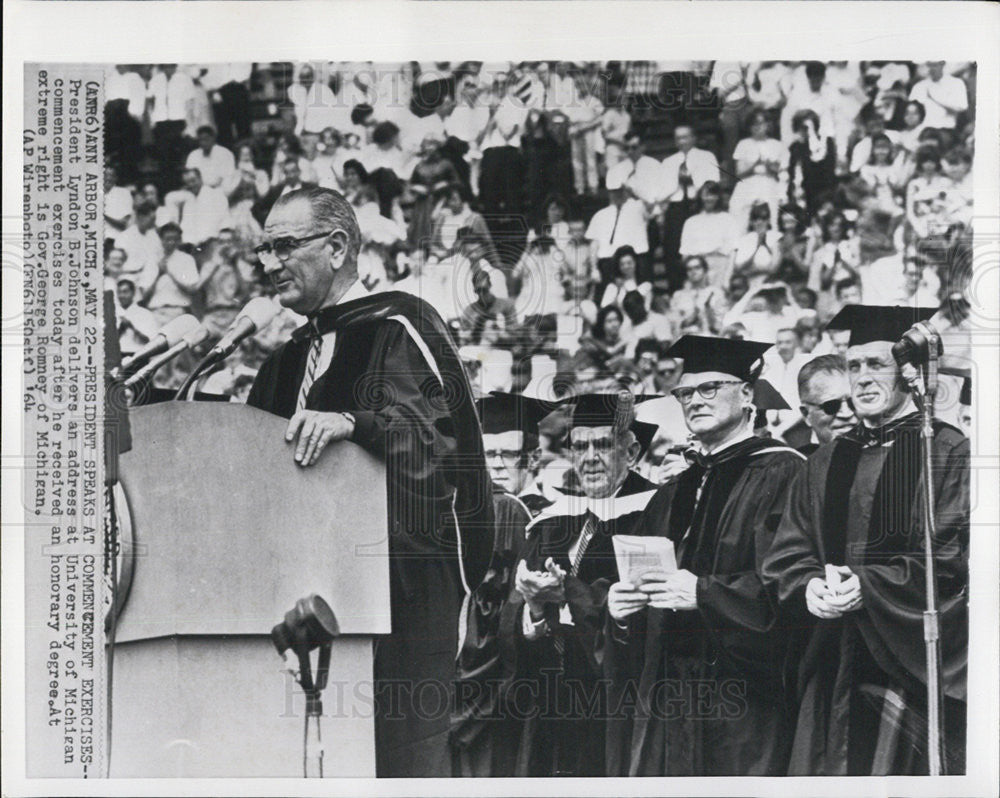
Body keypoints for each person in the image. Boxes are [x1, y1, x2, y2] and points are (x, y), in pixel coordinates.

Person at [245, 186, 494, 777]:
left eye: (282, 246)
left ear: (336, 247)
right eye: (263, 250)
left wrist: (355, 423)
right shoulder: (283, 360)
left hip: (400, 595)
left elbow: (435, 446)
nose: (268, 264)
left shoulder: (398, 325)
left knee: (397, 763)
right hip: (303, 597)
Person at [762, 305, 968, 775]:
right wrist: (808, 585)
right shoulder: (827, 458)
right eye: (854, 366)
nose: (863, 378)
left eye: (878, 365)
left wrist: (869, 585)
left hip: (905, 666)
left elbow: (955, 561)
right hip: (832, 662)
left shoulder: (944, 450)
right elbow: (789, 548)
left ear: (909, 374)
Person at [603, 335, 806, 776]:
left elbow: (791, 585)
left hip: (743, 696)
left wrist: (705, 594)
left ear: (747, 393)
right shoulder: (677, 487)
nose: (694, 400)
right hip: (670, 691)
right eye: (685, 392)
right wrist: (620, 611)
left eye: (709, 388)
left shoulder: (784, 472)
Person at [498, 391, 660, 776]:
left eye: (603, 445)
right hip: (553, 706)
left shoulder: (656, 516)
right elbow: (516, 616)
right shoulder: (555, 520)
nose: (589, 458)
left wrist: (566, 594)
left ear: (631, 452)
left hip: (618, 705)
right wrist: (535, 609)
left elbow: (647, 615)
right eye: (579, 446)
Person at [452, 391, 553, 777]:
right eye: (486, 453)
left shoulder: (522, 513)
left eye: (506, 455)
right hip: (490, 682)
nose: (494, 464)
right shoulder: (480, 509)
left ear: (532, 459)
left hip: (497, 685)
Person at [659, 125, 721, 289]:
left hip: (698, 204)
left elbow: (714, 182)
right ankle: (677, 290)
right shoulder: (669, 162)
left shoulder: (707, 157)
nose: (682, 141)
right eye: (678, 138)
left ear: (694, 138)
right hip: (676, 207)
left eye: (685, 137)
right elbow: (662, 190)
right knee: (674, 251)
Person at [796, 353, 856, 454]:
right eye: (831, 406)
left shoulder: (889, 463)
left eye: (854, 402)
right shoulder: (797, 467)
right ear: (806, 414)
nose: (846, 414)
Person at [908, 61, 969, 133]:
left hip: (945, 129)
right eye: (929, 65)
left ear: (942, 64)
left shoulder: (956, 83)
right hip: (920, 130)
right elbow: (909, 108)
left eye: (934, 65)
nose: (931, 68)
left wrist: (934, 98)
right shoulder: (919, 86)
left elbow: (962, 107)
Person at [114, 276, 159, 358]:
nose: (121, 296)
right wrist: (120, 329)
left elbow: (151, 341)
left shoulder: (144, 314)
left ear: (133, 293)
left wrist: (131, 327)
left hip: (138, 356)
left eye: (125, 292)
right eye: (119, 292)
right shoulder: (113, 313)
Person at [185, 125, 235, 190]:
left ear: (213, 138)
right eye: (201, 140)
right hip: (198, 190)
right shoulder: (193, 155)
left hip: (221, 189)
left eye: (206, 139)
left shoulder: (225, 153)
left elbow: (228, 176)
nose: (203, 143)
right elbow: (189, 176)